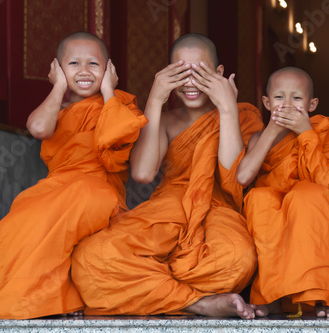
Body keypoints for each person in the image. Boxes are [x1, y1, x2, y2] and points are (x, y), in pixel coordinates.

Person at [71, 33, 264, 319]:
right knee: (90, 258)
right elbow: (143, 173)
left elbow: (233, 178)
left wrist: (226, 109)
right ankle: (197, 303)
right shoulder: (167, 121)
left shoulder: (243, 115)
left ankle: (151, 286)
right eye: (180, 72)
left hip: (219, 210)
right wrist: (156, 98)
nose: (189, 82)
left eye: (200, 72)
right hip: (168, 210)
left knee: (240, 260)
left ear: (220, 74)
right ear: (167, 75)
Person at [0, 32, 147, 319]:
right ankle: (41, 294)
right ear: (58, 68)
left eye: (94, 64)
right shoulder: (58, 110)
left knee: (79, 200)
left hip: (98, 192)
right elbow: (39, 128)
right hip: (59, 189)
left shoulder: (121, 107)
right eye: (73, 64)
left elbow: (115, 136)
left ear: (109, 70)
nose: (83, 71)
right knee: (22, 216)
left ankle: (34, 299)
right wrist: (57, 89)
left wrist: (109, 92)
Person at [237, 66, 329, 318]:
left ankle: (321, 296)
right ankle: (272, 297)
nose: (287, 105)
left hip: (312, 214)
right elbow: (244, 177)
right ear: (267, 102)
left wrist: (306, 133)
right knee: (259, 198)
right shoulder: (258, 138)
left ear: (312, 104)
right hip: (272, 217)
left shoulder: (327, 131)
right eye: (279, 98)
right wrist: (271, 131)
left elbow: (327, 184)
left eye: (297, 98)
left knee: (308, 195)